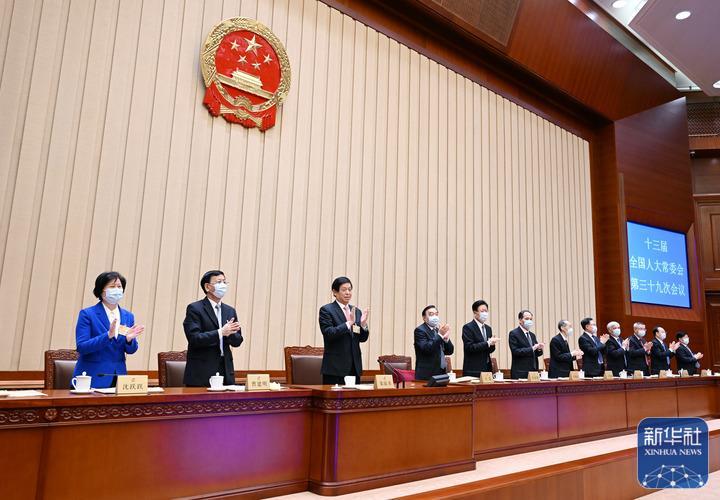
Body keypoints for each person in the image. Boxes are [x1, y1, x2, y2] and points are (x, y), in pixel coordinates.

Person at [73, 271, 145, 388]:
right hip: (93, 376)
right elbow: (82, 347)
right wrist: (107, 336)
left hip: (119, 377)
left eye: (119, 287)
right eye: (112, 286)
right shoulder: (87, 314)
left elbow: (131, 350)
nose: (116, 290)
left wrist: (129, 340)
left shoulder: (128, 316)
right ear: (101, 290)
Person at [183, 270, 243, 387]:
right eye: (219, 282)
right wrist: (221, 332)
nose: (223, 285)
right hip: (202, 371)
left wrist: (231, 333)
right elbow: (194, 338)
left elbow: (237, 342)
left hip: (225, 369)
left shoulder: (230, 310)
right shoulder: (195, 308)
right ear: (207, 287)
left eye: (225, 282)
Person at [318, 276, 370, 385]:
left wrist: (363, 325)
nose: (348, 293)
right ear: (335, 292)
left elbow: (362, 339)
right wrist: (348, 323)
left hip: (354, 367)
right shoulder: (327, 310)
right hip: (335, 368)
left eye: (350, 289)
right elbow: (329, 333)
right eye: (344, 290)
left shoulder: (356, 311)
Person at [414, 305, 454, 380]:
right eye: (431, 314)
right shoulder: (420, 330)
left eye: (436, 314)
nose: (435, 317)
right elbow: (426, 349)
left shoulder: (437, 330)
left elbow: (449, 351)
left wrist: (446, 340)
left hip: (441, 372)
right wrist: (440, 335)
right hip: (427, 374)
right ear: (424, 318)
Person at [462, 300, 498, 376]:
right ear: (475, 313)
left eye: (486, 311)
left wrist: (492, 344)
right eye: (482, 311)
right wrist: (487, 343)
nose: (485, 313)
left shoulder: (488, 328)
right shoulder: (468, 327)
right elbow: (469, 347)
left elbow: (489, 350)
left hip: (487, 368)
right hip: (473, 369)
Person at [509, 310, 544, 379]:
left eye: (531, 319)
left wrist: (539, 349)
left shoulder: (532, 335)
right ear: (520, 320)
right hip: (520, 372)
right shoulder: (514, 333)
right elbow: (515, 351)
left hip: (533, 371)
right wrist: (532, 348)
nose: (529, 321)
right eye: (527, 319)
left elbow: (536, 354)